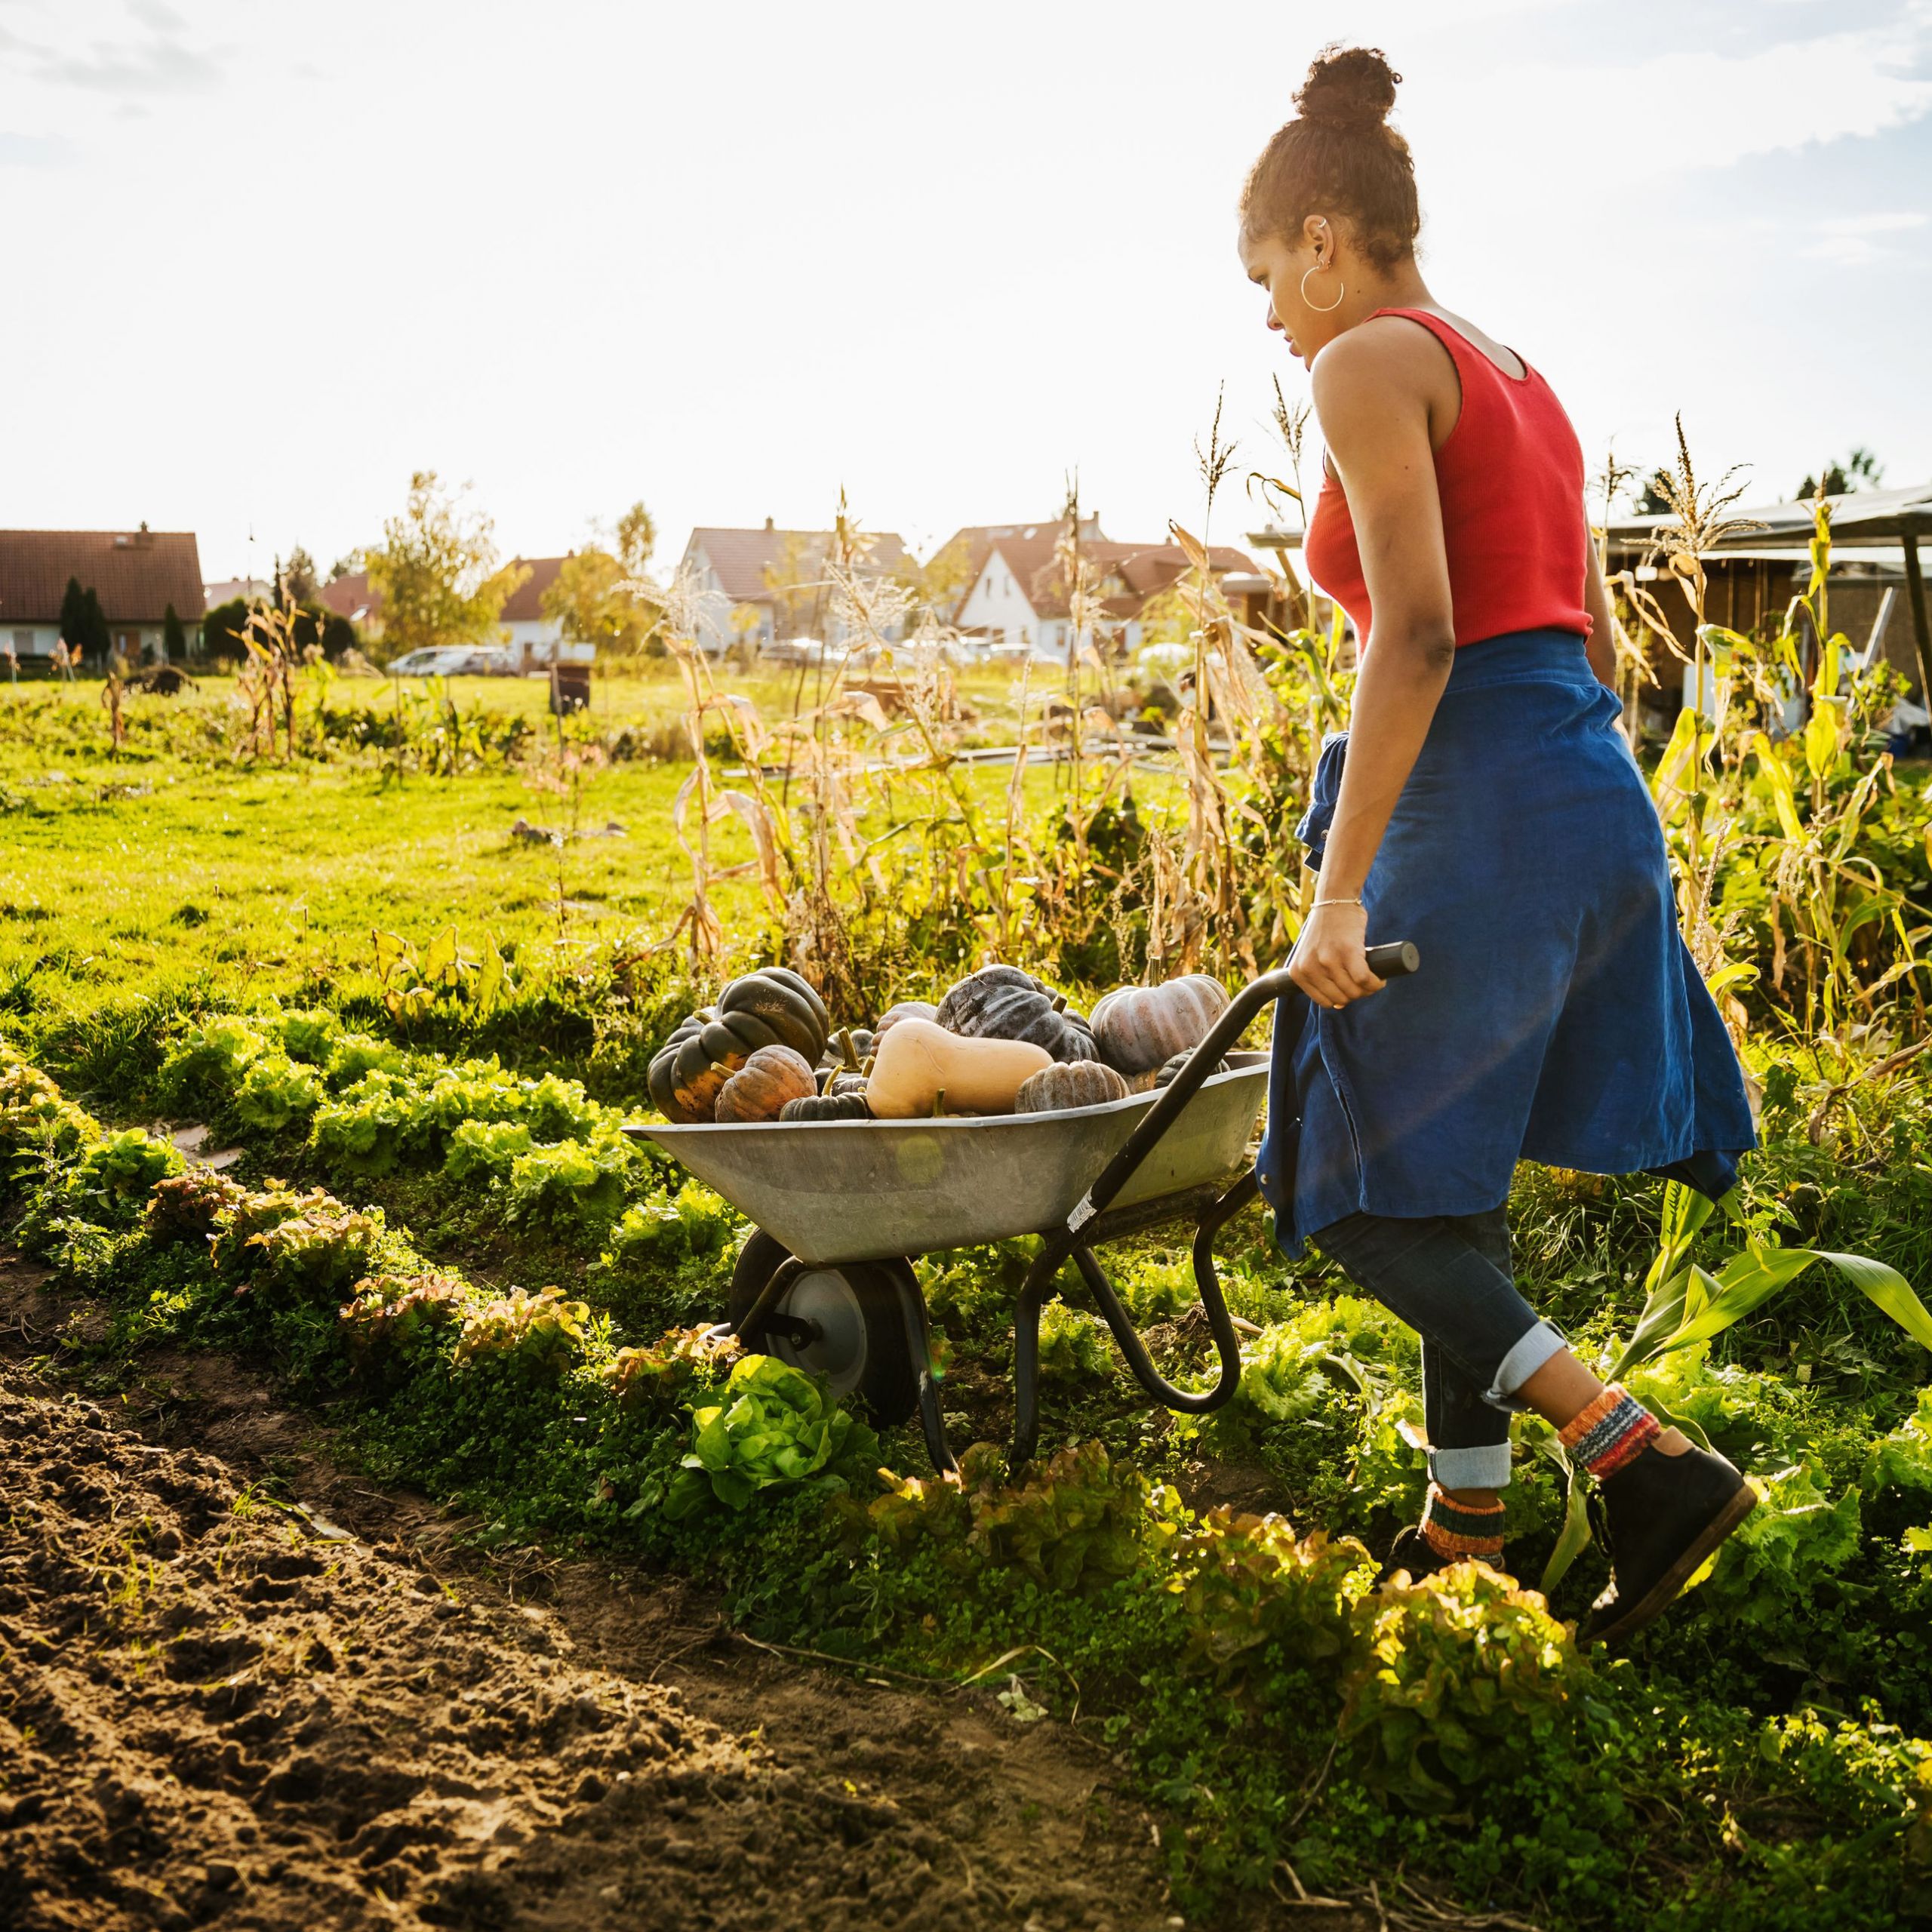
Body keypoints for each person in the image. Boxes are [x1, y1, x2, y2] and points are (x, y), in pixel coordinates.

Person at [1240, 46, 1759, 1644]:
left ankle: (1635, 1456)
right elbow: (1593, 635)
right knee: (1441, 1174)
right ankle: (1462, 1520)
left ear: (1323, 235)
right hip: (1581, 789)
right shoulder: (1518, 371)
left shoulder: (1363, 363)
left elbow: (1412, 636)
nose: (1268, 316)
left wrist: (1340, 888)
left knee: (1347, 1181)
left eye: (1266, 275)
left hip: (1474, 802)